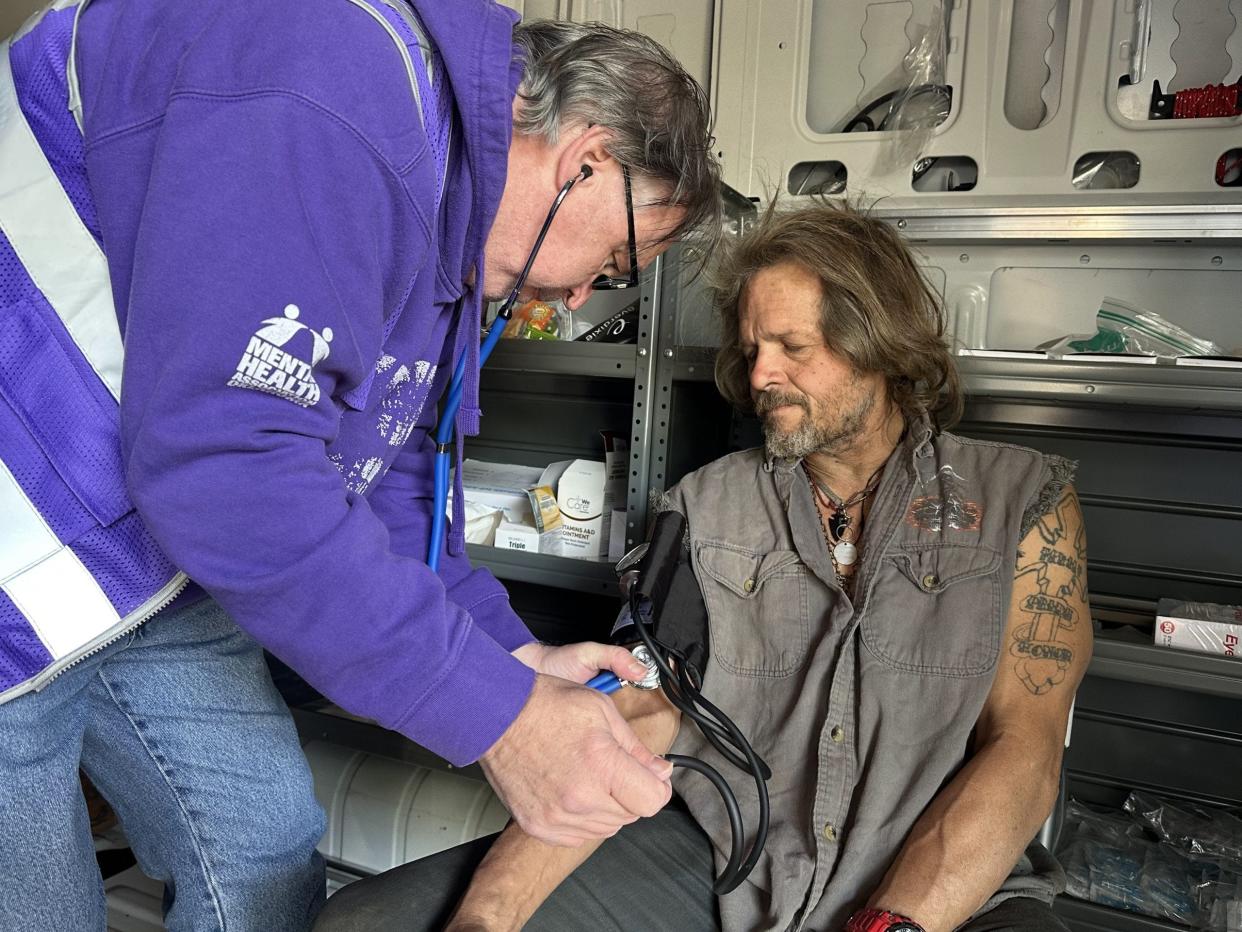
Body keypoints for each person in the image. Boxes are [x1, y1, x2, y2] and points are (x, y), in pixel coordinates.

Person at [0, 1, 719, 929]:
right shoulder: (328, 80)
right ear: (585, 159)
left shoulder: (444, 214)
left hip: (136, 546)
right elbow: (229, 466)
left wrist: (517, 659)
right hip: (22, 521)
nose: (583, 295)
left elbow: (386, 470)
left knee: (260, 857)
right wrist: (503, 719)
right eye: (615, 258)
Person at [313, 200, 1094, 932]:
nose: (759, 377)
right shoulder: (704, 505)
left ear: (878, 343)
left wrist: (894, 925)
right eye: (753, 350)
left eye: (794, 348)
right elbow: (644, 712)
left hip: (953, 886)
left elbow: (1023, 750)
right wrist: (490, 916)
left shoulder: (1021, 499)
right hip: (736, 865)